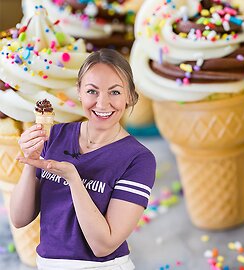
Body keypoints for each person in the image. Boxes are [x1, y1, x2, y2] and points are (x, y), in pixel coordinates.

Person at [10, 48, 156, 269]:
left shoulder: (138, 159)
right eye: (92, 91)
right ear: (79, 91)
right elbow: (19, 219)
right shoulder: (54, 136)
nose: (102, 103)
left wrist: (74, 180)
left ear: (130, 96)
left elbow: (104, 246)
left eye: (115, 92)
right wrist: (31, 160)